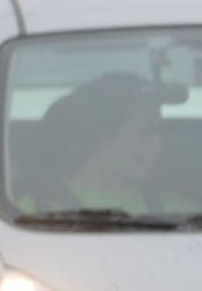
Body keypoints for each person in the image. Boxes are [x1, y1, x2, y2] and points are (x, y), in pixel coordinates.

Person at [23, 74, 189, 215]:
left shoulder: (179, 211)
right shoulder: (30, 211)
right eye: (145, 132)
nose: (160, 145)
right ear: (101, 138)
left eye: (159, 132)